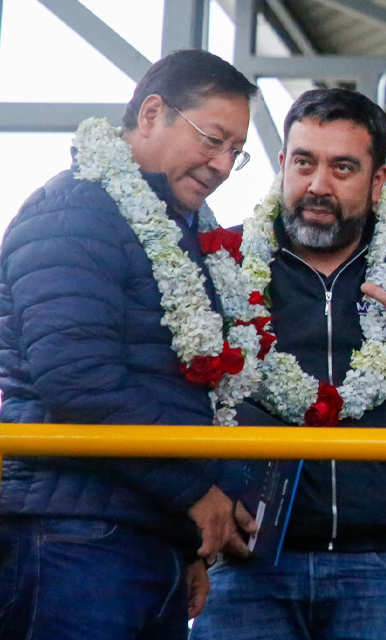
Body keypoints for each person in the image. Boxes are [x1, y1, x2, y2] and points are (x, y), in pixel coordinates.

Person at [191, 88, 386, 640]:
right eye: (304, 162)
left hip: (381, 566)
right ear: (283, 164)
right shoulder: (225, 260)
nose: (318, 185)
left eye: (343, 168)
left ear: (377, 182)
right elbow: (178, 398)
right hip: (245, 562)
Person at [0, 50, 263, 639]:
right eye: (212, 140)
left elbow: (184, 391)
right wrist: (195, 493)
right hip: (73, 533)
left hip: (151, 537)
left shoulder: (190, 232)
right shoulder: (75, 209)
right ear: (151, 114)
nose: (222, 165)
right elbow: (74, 375)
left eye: (236, 153)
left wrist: (187, 543)